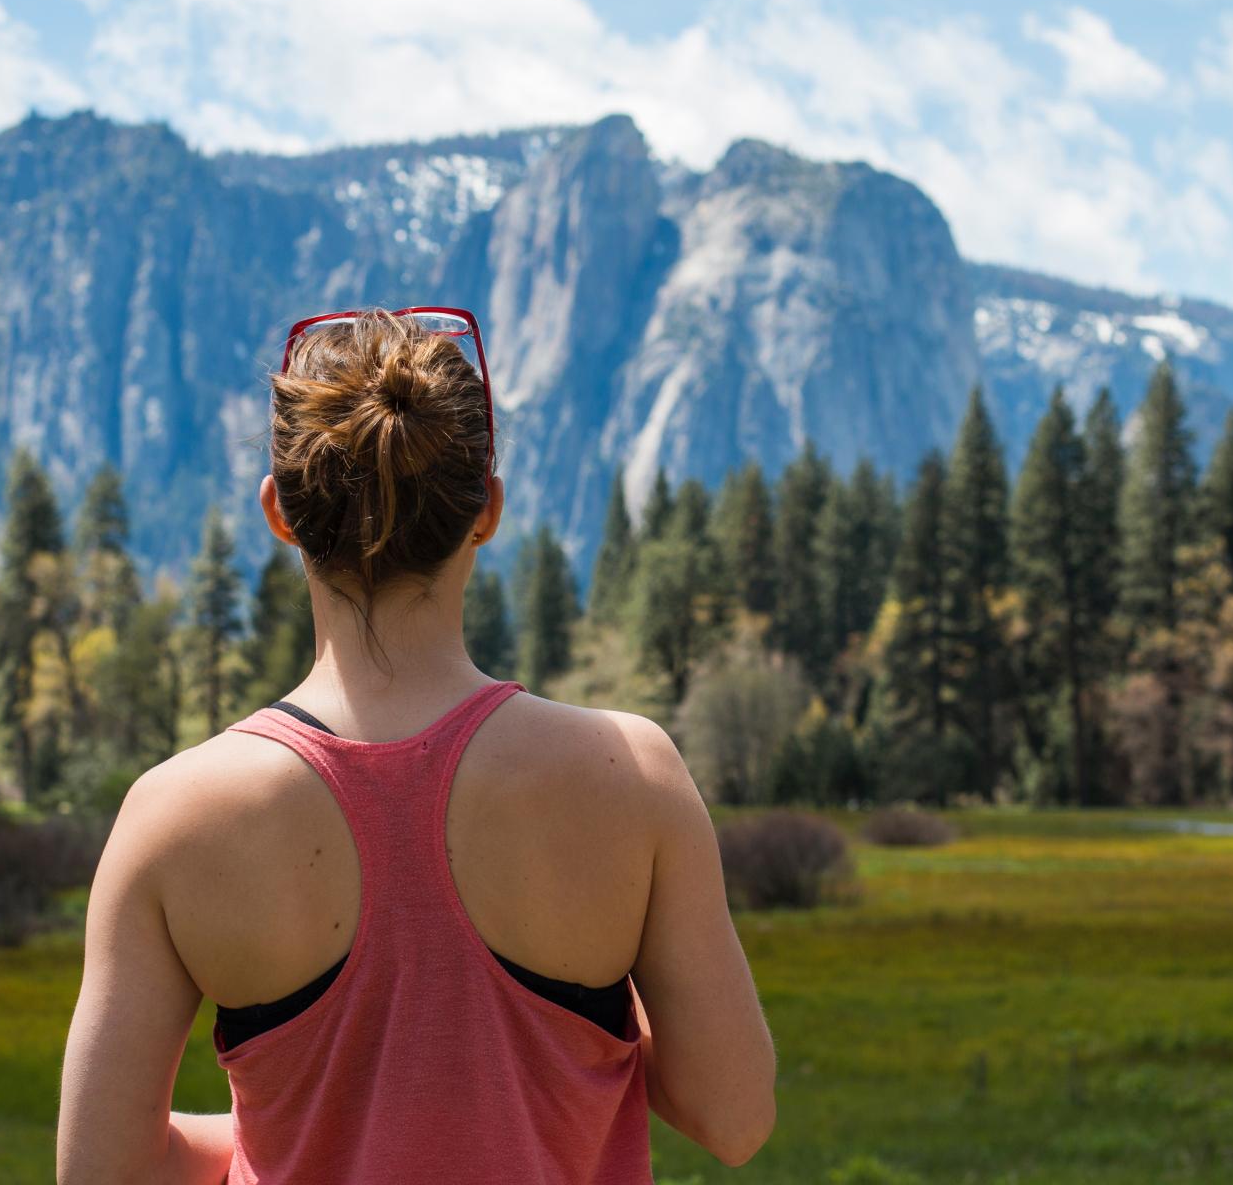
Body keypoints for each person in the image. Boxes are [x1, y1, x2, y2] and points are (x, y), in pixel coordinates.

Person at [57, 308, 775, 1183]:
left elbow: (102, 1173)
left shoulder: (174, 816)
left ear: (280, 512)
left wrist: (273, 1139)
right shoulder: (633, 774)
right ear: (486, 510)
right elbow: (734, 1116)